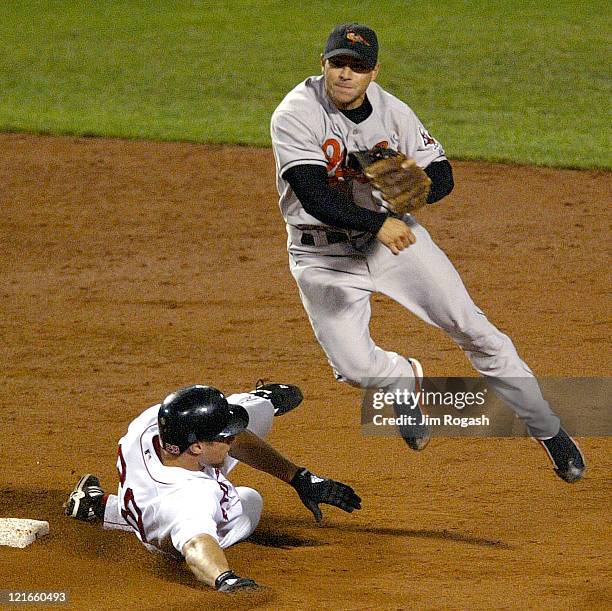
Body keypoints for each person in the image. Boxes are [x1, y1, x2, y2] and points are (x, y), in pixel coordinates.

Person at [270, 22, 585, 483]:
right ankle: (401, 378)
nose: (345, 74)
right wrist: (381, 220)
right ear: (323, 65)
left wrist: (418, 193)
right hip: (324, 257)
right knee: (355, 368)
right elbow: (315, 198)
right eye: (338, 63)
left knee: (473, 328)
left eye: (357, 67)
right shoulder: (295, 112)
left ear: (373, 72)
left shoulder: (393, 111)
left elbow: (443, 172)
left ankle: (548, 429)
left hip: (395, 244)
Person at [64, 382, 361, 593]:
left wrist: (298, 477)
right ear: (195, 447)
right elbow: (196, 546)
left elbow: (225, 434)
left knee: (248, 415)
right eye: (225, 437)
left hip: (156, 482)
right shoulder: (188, 502)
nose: (232, 440)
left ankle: (258, 400)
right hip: (168, 524)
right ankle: (105, 508)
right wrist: (225, 579)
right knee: (248, 501)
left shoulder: (154, 423)